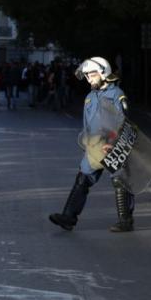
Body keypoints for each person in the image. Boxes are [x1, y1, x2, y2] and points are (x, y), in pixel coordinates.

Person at [48, 57, 135, 233]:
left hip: (114, 145)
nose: (89, 79)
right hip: (95, 146)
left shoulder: (116, 94)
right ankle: (68, 218)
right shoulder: (89, 97)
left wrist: (113, 143)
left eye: (92, 75)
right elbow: (87, 124)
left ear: (103, 72)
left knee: (120, 181)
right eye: (86, 76)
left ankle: (125, 221)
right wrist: (86, 141)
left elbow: (123, 121)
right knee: (82, 179)